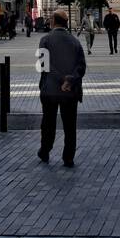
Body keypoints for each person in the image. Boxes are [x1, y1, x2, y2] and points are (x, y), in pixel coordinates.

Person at [37, 11, 87, 167]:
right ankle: (68, 157)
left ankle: (45, 150)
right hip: (70, 92)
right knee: (70, 126)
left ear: (52, 21)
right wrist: (69, 80)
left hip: (50, 90)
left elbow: (43, 65)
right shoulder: (75, 41)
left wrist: (60, 79)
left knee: (48, 123)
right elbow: (81, 67)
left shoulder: (45, 40)